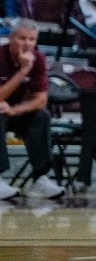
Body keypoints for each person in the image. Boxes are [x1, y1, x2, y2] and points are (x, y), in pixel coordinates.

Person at [0, 20, 60, 199]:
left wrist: (15, 110)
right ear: (11, 38)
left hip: (13, 111)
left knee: (41, 116)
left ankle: (41, 178)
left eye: (32, 39)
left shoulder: (38, 58)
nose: (27, 43)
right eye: (22, 38)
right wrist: (22, 71)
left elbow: (41, 100)